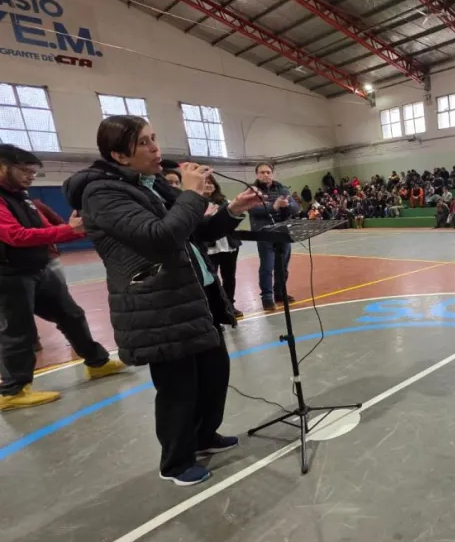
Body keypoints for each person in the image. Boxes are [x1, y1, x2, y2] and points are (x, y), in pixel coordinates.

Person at [64, 115, 264, 486]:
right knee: (178, 388)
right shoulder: (103, 194)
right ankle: (175, 461)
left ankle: (204, 436)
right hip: (157, 304)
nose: (156, 148)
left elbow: (197, 230)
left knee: (213, 374)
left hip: (194, 296)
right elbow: (161, 237)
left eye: (154, 138)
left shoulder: (151, 184)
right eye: (144, 142)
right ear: (119, 155)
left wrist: (233, 210)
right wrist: (189, 193)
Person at [0, 145, 126, 409]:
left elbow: (46, 230)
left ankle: (97, 363)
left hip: (38, 269)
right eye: (24, 171)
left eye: (33, 172)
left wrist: (77, 230)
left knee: (71, 314)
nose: (30, 176)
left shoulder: (22, 198)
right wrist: (66, 231)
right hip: (8, 276)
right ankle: (13, 391)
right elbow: (16, 236)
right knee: (18, 331)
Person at [249, 163, 299, 311]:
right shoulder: (252, 190)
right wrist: (274, 206)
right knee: (267, 267)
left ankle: (280, 293)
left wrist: (287, 205)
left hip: (283, 233)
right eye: (262, 172)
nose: (266, 175)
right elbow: (252, 210)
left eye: (268, 172)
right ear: (257, 174)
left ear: (273, 174)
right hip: (264, 234)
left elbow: (296, 208)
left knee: (282, 267)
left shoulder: (282, 188)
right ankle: (266, 297)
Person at [203, 174, 243, 319]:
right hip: (209, 247)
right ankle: (215, 309)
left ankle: (230, 305)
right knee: (212, 279)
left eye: (210, 182)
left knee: (229, 277)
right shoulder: (195, 203)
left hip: (229, 246)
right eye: (205, 182)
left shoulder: (225, 201)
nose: (208, 185)